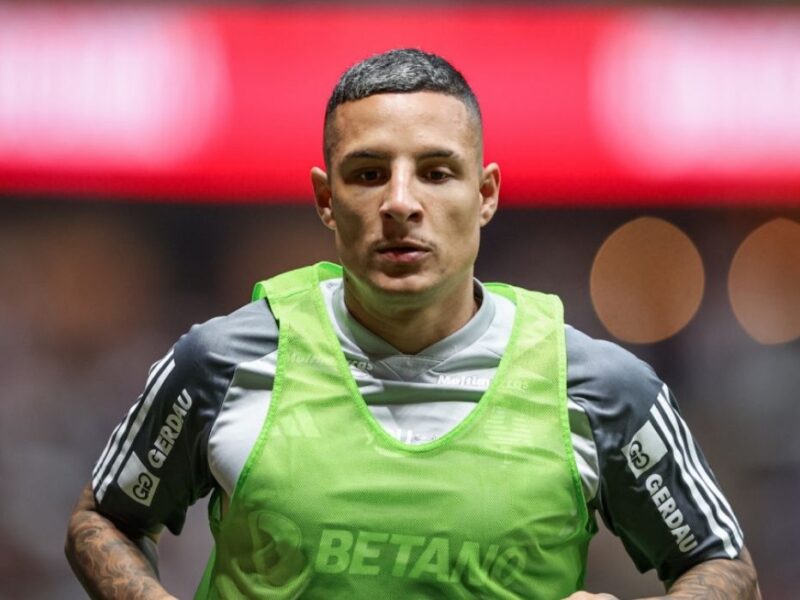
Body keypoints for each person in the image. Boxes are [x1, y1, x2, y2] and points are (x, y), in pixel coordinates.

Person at [65, 48, 760, 599]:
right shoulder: (220, 362)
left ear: (485, 194)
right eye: (368, 174)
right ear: (325, 199)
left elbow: (723, 564)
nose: (400, 202)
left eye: (435, 172)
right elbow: (102, 519)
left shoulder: (599, 387)